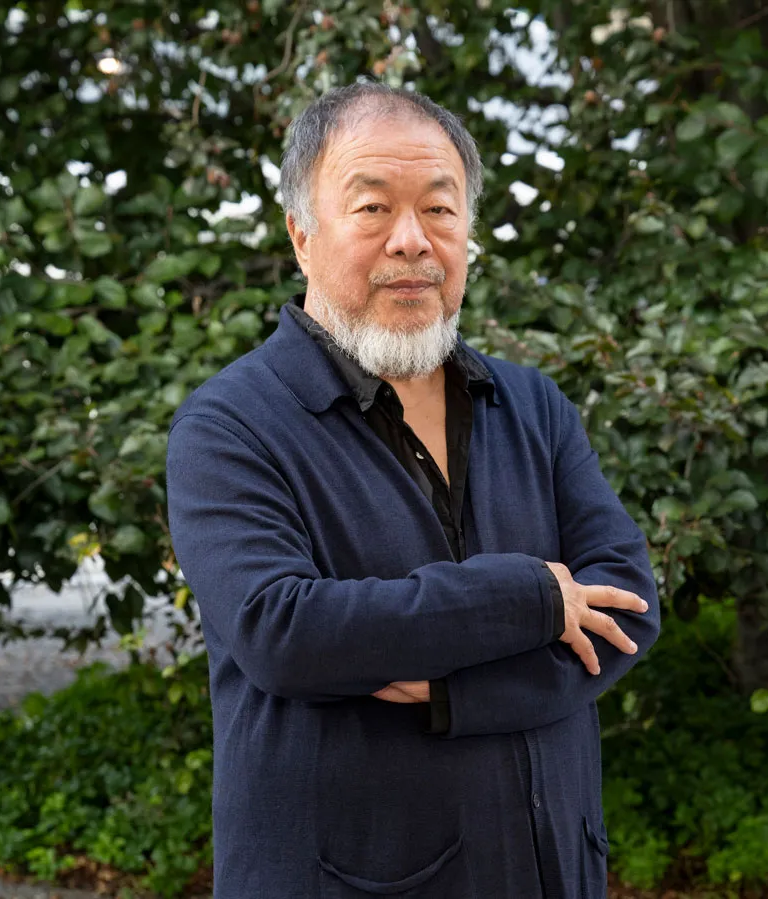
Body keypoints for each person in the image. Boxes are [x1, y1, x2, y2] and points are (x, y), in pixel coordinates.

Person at [166, 81, 660, 899]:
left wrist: (453, 691)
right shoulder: (232, 425)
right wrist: (532, 596)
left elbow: (629, 606)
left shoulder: (530, 405)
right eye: (372, 209)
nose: (412, 241)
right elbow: (284, 631)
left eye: (439, 209)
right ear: (301, 236)